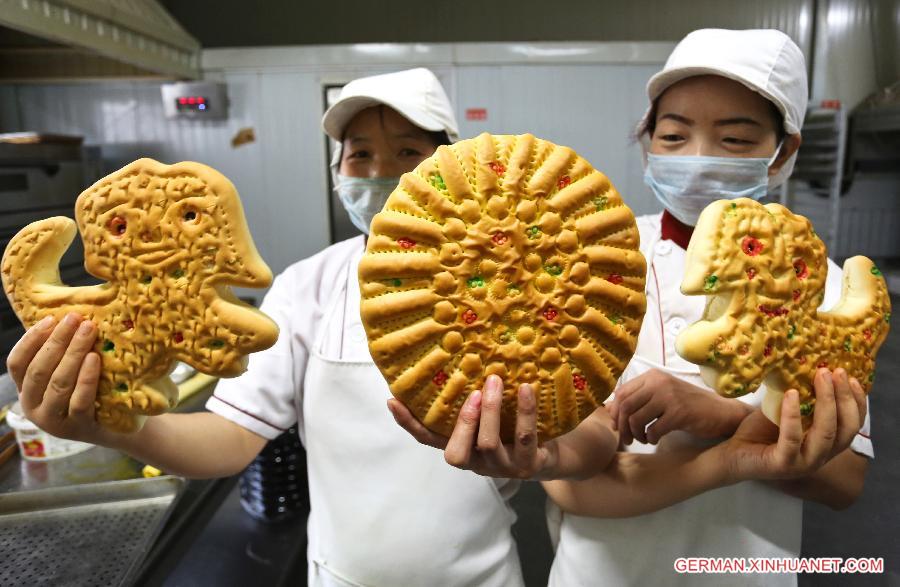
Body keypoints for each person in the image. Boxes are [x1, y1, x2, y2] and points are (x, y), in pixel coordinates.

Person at [6, 68, 526, 586]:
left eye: (409, 151)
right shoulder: (310, 286)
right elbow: (230, 439)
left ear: (452, 166)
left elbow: (562, 430)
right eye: (359, 153)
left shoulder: (510, 285)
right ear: (337, 171)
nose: (379, 172)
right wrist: (110, 426)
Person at [391, 30, 872, 586]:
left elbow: (845, 482)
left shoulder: (824, 287)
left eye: (736, 140)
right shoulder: (595, 260)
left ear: (783, 151)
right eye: (673, 135)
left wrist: (730, 419)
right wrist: (542, 456)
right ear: (648, 144)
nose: (698, 157)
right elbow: (583, 450)